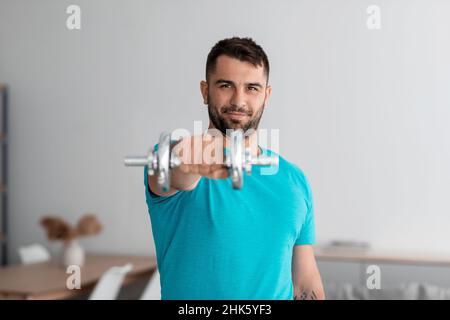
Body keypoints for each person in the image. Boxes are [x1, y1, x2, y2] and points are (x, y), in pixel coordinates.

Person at [145, 37, 325, 300]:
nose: (238, 100)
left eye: (252, 87)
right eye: (226, 85)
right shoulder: (169, 157)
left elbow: (304, 283)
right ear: (205, 91)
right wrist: (189, 158)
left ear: (267, 95)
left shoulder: (294, 180)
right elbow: (177, 174)